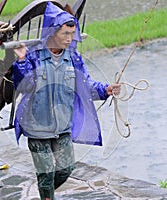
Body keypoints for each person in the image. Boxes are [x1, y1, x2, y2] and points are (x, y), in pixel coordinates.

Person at [12, 2, 121, 200]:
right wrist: (20, 61)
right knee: (45, 176)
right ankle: (47, 193)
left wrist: (106, 89)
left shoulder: (74, 58)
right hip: (37, 129)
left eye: (72, 34)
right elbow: (23, 86)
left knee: (67, 168)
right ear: (53, 32)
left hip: (62, 127)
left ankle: (46, 192)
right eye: (65, 34)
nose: (70, 39)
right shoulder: (33, 56)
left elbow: (86, 85)